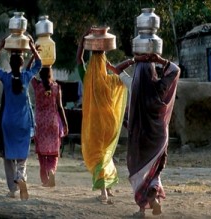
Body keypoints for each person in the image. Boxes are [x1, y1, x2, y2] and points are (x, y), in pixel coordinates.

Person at [116, 54, 180, 217]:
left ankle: (142, 209)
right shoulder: (160, 86)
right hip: (158, 138)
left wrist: (134, 60)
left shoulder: (133, 86)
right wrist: (158, 59)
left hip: (141, 138)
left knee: (140, 171)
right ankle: (154, 200)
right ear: (153, 72)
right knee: (154, 171)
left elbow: (117, 69)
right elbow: (175, 70)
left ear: (137, 74)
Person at [76, 28, 128, 203]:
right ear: (105, 60)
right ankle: (109, 187)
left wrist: (83, 41)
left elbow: (79, 60)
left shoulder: (86, 77)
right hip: (110, 122)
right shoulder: (110, 79)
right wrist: (130, 61)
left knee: (99, 155)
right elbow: (120, 73)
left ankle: (103, 192)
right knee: (107, 153)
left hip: (95, 123)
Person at [0, 36, 42, 200]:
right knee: (22, 156)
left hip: (8, 123)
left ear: (11, 65)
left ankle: (12, 189)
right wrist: (33, 48)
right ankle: (20, 177)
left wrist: (0, 46)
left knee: (8, 156)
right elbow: (39, 65)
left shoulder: (6, 78)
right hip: (24, 123)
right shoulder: (26, 77)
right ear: (21, 64)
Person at [31, 66, 69, 187]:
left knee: (42, 154)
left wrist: (33, 58)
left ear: (40, 75)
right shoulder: (56, 87)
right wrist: (65, 124)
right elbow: (60, 107)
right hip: (53, 123)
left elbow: (28, 71)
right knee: (53, 153)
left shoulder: (37, 86)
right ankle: (51, 171)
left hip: (40, 124)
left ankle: (45, 180)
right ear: (50, 75)